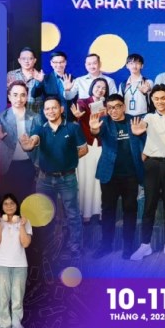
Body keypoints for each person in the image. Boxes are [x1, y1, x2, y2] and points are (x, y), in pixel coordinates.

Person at [20, 96, 90, 253]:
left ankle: (75, 246)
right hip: (44, 179)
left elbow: (84, 149)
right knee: (45, 214)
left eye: (54, 108)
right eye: (47, 109)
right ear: (44, 111)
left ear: (61, 109)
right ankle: (47, 246)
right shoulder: (40, 129)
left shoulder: (73, 128)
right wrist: (28, 145)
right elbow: (33, 140)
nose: (50, 111)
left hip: (68, 178)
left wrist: (67, 158)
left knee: (72, 214)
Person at [130, 85, 165, 261]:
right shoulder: (148, 118)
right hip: (152, 165)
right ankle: (145, 245)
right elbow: (141, 129)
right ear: (152, 100)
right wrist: (137, 132)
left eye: (163, 98)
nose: (160, 101)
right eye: (156, 99)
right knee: (149, 206)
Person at [90, 94, 144, 259]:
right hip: (109, 175)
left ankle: (128, 246)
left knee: (130, 211)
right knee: (108, 211)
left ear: (124, 107)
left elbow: (144, 141)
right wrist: (94, 129)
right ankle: (106, 245)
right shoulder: (104, 122)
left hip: (130, 175)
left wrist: (140, 134)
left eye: (117, 106)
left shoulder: (134, 121)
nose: (113, 110)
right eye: (110, 107)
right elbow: (96, 131)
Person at [0, 194, 31, 328]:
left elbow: (25, 243)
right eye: (6, 204)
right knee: (3, 300)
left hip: (20, 265)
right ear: (2, 207)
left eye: (12, 203)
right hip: (1, 265)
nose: (9, 206)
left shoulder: (25, 221)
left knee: (17, 300)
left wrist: (22, 226)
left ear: (16, 205)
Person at [0, 81, 41, 192]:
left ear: (27, 97)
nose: (19, 99)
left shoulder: (36, 117)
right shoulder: (0, 117)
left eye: (23, 95)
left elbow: (39, 137)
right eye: (15, 95)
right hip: (6, 165)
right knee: (6, 198)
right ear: (9, 97)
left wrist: (34, 141)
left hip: (28, 164)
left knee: (26, 198)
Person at [73, 79, 109, 226]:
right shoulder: (83, 102)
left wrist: (107, 114)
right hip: (86, 146)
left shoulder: (108, 105)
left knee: (100, 179)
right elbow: (78, 113)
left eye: (103, 88)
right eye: (98, 86)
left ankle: (100, 212)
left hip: (102, 146)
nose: (100, 90)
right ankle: (85, 213)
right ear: (92, 87)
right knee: (85, 178)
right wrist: (78, 114)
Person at [30, 52, 80, 118]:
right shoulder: (44, 78)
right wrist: (39, 82)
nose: (58, 65)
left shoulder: (73, 79)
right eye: (55, 62)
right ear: (51, 63)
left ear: (65, 62)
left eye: (61, 62)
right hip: (50, 117)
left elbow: (76, 100)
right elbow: (34, 95)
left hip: (69, 117)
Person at [6, 47, 43, 114]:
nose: (26, 61)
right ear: (19, 60)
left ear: (34, 60)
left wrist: (41, 82)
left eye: (30, 58)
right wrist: (9, 89)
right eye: (23, 58)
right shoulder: (11, 75)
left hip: (35, 116)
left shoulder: (41, 76)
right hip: (15, 115)